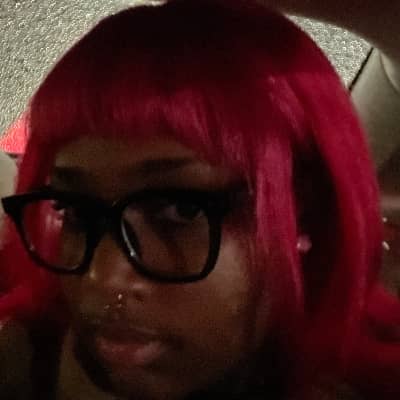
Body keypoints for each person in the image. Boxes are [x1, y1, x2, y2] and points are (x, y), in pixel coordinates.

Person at [0, 1, 399, 399]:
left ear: (303, 214)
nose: (103, 276)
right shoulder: (24, 353)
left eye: (179, 211)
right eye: (73, 210)